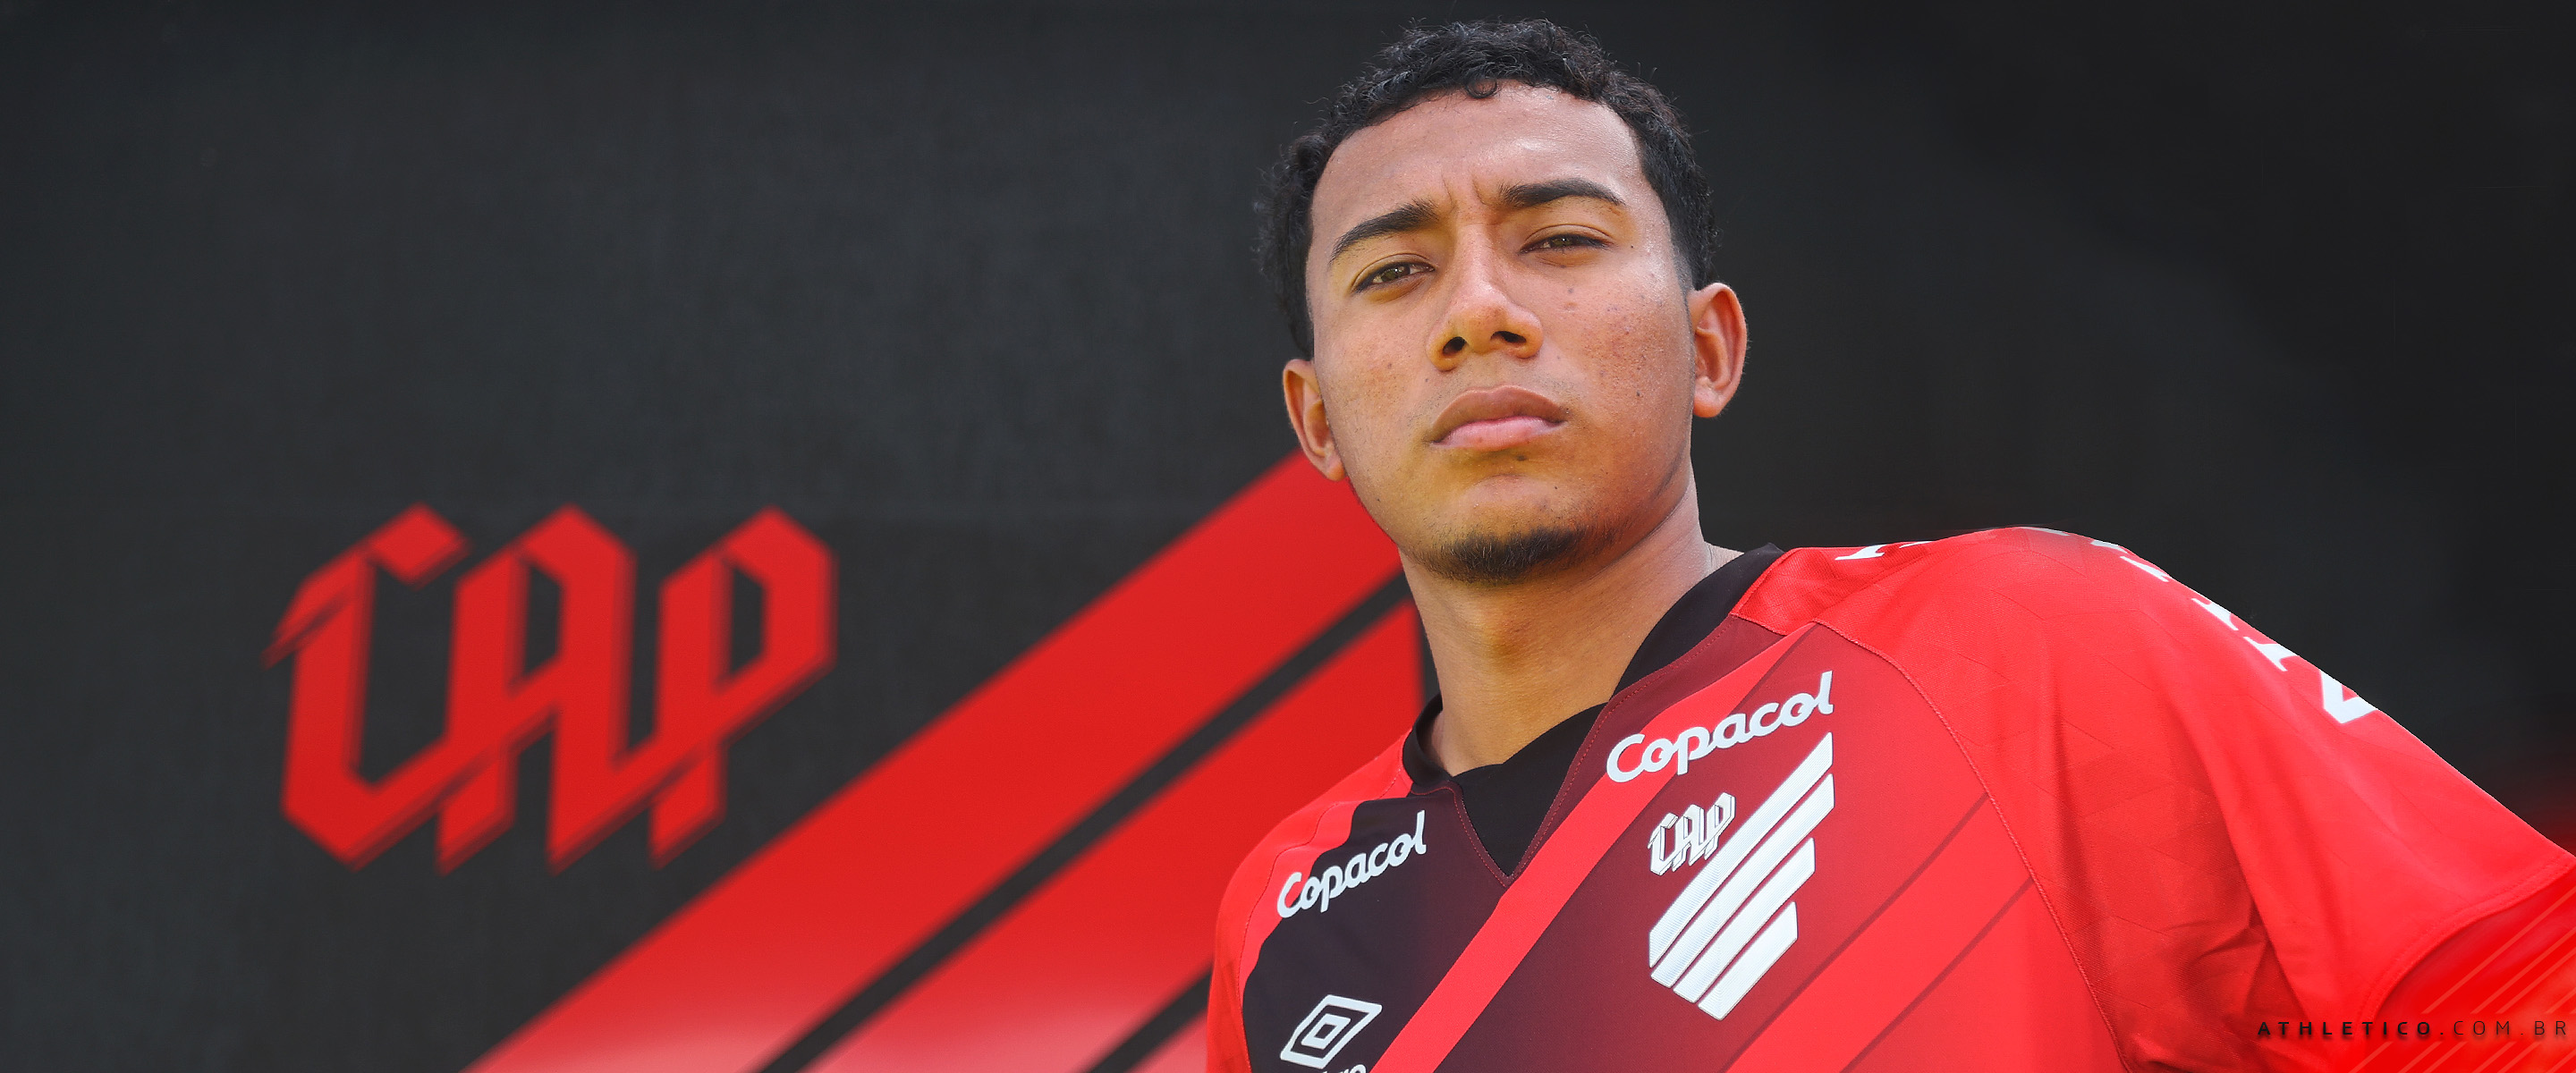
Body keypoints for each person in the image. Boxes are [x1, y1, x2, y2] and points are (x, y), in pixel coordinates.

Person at [1208, 19, 2575, 1073]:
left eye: (1560, 238)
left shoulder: (2025, 642)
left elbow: (2519, 1010)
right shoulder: (1279, 908)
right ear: (1317, 420)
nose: (1479, 312)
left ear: (1711, 348)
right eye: (1393, 271)